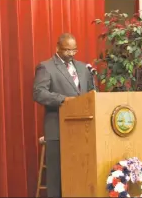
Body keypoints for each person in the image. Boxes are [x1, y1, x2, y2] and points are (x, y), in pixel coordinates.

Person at [33, 33, 95, 197]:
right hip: (57, 128)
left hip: (84, 129)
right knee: (56, 175)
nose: (71, 54)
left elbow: (90, 93)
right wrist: (64, 100)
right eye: (67, 50)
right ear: (57, 48)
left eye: (74, 50)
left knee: (81, 171)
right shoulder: (46, 67)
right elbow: (39, 93)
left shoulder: (83, 68)